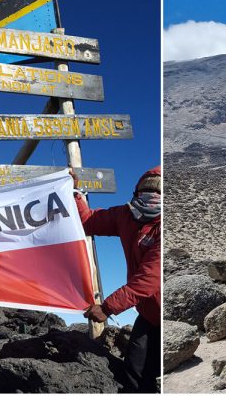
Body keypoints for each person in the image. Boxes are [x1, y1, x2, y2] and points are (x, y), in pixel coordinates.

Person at [71, 167, 161, 393]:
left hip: (163, 311)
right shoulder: (125, 215)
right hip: (148, 313)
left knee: (152, 370)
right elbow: (89, 221)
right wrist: (74, 193)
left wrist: (108, 308)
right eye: (147, 191)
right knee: (135, 370)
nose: (152, 197)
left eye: (158, 192)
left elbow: (148, 280)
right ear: (137, 192)